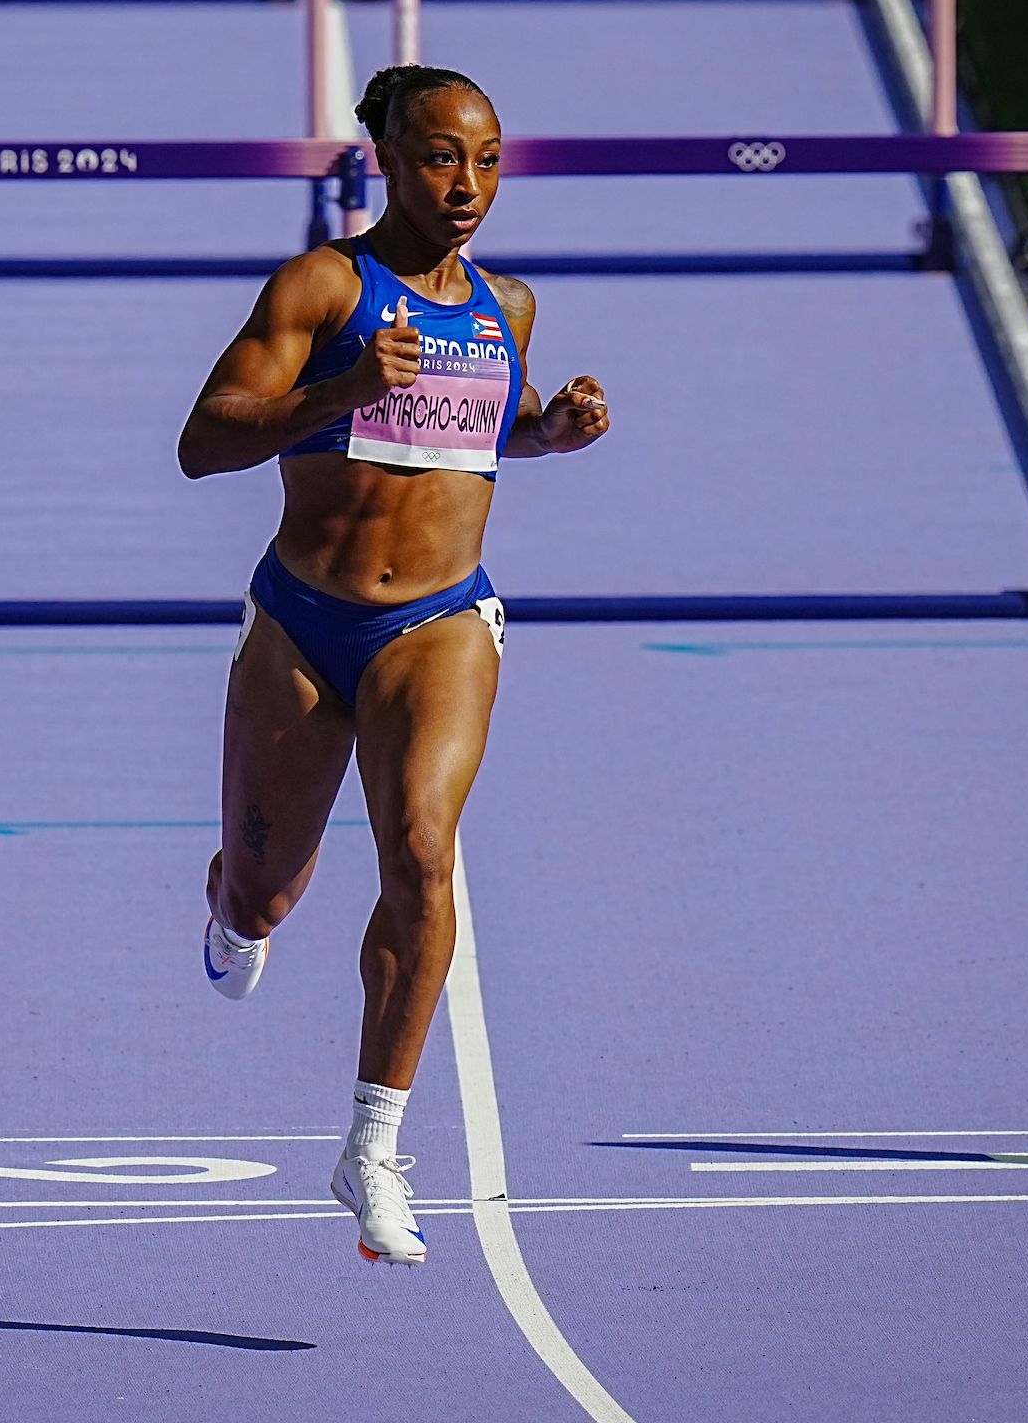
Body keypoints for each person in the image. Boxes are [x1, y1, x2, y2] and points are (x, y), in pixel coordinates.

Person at [177, 65, 610, 1263]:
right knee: (267, 891)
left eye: (485, 159)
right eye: (437, 157)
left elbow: (478, 429)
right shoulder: (323, 286)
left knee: (422, 846)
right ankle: (229, 899)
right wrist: (343, 388)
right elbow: (201, 444)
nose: (466, 184)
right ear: (388, 159)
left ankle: (372, 1144)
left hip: (442, 623)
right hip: (304, 624)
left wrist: (548, 431)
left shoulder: (506, 306)